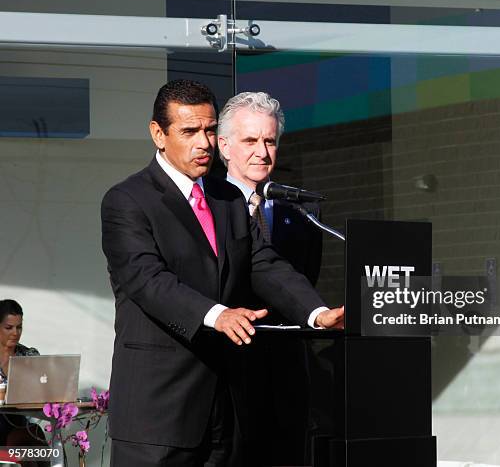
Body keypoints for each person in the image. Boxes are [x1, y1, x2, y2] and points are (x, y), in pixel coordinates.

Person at [100, 79, 344, 467]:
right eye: (190, 131)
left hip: (224, 411)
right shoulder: (127, 201)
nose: (204, 143)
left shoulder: (226, 198)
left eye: (210, 130)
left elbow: (262, 263)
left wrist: (316, 313)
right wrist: (218, 315)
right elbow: (148, 280)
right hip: (158, 414)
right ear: (158, 134)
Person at [218, 92, 322, 466]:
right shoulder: (203, 206)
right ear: (224, 146)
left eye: (270, 140)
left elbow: (303, 282)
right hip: (225, 373)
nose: (262, 151)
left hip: (287, 375)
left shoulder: (302, 211)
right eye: (250, 140)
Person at [0, 299, 48, 467]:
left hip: (21, 428)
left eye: (19, 327)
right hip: (7, 430)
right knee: (26, 453)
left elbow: (44, 388)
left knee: (38, 441)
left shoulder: (29, 356)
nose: (15, 333)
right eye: (9, 327)